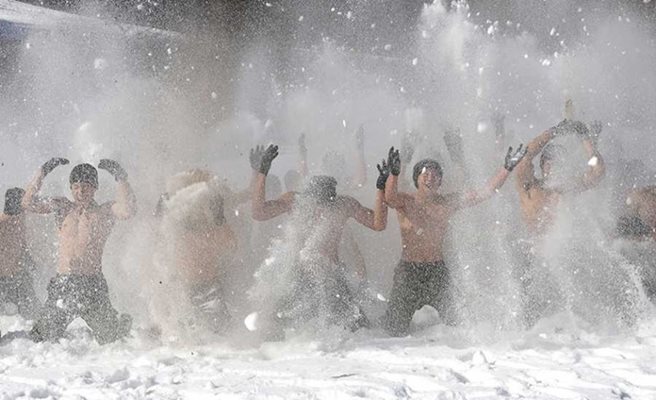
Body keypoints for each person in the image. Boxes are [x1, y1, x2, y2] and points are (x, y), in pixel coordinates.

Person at [382, 143, 527, 336]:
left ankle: (455, 358)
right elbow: (389, 198)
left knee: (457, 324)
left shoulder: (447, 202)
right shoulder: (406, 202)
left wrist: (507, 168)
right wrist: (394, 173)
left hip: (437, 271)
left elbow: (484, 193)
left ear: (440, 181)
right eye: (425, 174)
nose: (430, 177)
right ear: (417, 179)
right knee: (393, 329)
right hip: (409, 271)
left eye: (435, 175)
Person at [249, 144, 388, 332]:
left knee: (357, 329)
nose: (321, 207)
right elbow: (259, 213)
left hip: (331, 275)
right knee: (279, 327)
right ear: (309, 193)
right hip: (297, 274)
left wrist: (381, 188)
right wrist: (262, 173)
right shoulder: (295, 201)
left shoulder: (342, 205)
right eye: (317, 198)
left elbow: (378, 224)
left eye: (327, 199)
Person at [22, 157, 136, 344]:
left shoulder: (104, 211)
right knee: (41, 338)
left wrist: (121, 177)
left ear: (95, 188)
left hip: (93, 284)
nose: (80, 191)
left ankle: (118, 323)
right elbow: (28, 203)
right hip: (63, 284)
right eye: (75, 186)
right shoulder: (62, 207)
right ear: (70, 188)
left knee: (111, 338)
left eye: (86, 186)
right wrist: (43, 171)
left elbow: (128, 210)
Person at [154, 169, 244, 334]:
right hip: (182, 290)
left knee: (221, 331)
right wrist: (162, 210)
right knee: (178, 332)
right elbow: (158, 237)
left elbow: (231, 244)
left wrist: (219, 217)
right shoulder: (175, 230)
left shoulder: (211, 230)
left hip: (209, 289)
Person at [515, 120, 605, 235]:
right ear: (541, 165)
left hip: (563, 248)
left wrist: (585, 138)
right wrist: (554, 132)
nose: (553, 167)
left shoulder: (567, 188)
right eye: (549, 163)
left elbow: (598, 172)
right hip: (532, 248)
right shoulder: (529, 188)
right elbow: (523, 158)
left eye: (557, 163)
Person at [0, 187, 41, 320]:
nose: (28, 205)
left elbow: (21, 244)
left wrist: (28, 257)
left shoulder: (20, 221)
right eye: (24, 201)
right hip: (2, 279)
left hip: (18, 277)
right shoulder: (2, 223)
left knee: (36, 315)